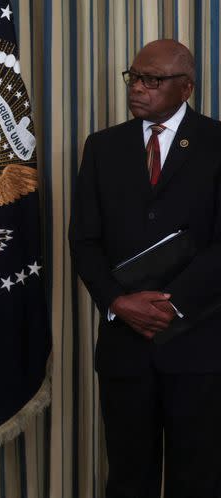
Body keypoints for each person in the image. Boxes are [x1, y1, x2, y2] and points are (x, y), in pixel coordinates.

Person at [70, 39, 221, 497]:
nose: (137, 88)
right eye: (133, 77)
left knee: (197, 480)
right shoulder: (102, 148)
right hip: (125, 349)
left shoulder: (218, 143)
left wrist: (170, 306)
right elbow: (84, 240)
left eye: (152, 80)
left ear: (186, 87)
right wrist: (117, 300)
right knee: (128, 479)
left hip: (199, 347)